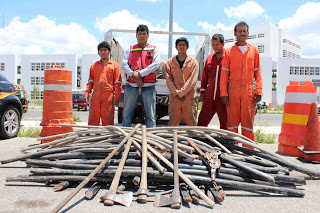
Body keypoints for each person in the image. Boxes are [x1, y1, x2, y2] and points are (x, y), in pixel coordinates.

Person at [220, 21, 263, 146]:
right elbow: (224, 75)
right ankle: (232, 150)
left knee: (248, 123)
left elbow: (258, 73)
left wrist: (258, 90)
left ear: (248, 33)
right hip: (233, 91)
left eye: (244, 31)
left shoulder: (254, 50)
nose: (242, 33)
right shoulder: (228, 51)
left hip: (248, 92)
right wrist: (223, 92)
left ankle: (248, 152)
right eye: (240, 31)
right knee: (232, 123)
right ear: (235, 33)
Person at [122, 24, 160, 128]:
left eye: (144, 34)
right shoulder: (129, 49)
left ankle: (150, 138)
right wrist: (133, 75)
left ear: (148, 35)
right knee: (126, 114)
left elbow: (156, 64)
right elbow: (124, 65)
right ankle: (125, 136)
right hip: (132, 86)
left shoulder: (154, 49)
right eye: (140, 34)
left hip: (149, 86)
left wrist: (139, 74)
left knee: (150, 115)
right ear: (136, 35)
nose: (142, 36)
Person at [84, 41, 122, 126]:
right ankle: (92, 136)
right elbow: (90, 82)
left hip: (108, 97)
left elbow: (117, 83)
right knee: (93, 118)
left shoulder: (115, 66)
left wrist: (117, 97)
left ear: (109, 52)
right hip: (96, 96)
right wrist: (87, 93)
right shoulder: (94, 66)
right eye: (101, 50)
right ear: (98, 52)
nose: (103, 52)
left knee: (108, 119)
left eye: (105, 50)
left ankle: (107, 137)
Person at [165, 37, 199, 126]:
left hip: (188, 97)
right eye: (180, 45)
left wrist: (182, 93)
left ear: (187, 47)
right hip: (174, 97)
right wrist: (176, 93)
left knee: (191, 121)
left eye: (184, 45)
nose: (182, 47)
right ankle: (171, 139)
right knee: (173, 122)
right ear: (176, 47)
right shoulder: (169, 62)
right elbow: (168, 79)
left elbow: (193, 79)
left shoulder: (193, 62)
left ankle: (193, 139)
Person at [198, 34, 227, 129]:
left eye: (217, 44)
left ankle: (225, 141)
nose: (215, 47)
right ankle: (200, 140)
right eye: (213, 45)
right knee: (202, 121)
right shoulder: (209, 58)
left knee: (225, 122)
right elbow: (204, 76)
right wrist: (202, 92)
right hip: (209, 96)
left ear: (223, 44)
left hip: (223, 97)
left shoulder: (228, 57)